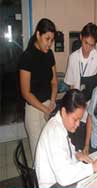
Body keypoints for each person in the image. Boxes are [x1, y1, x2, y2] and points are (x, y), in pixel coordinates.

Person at [35, 89, 97, 188]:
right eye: (75, 119)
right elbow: (64, 177)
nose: (78, 124)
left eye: (80, 119)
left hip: (57, 178)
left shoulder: (58, 123)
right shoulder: (55, 132)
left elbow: (65, 148)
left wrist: (76, 154)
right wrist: (92, 167)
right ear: (63, 112)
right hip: (53, 185)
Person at [18, 18, 58, 159]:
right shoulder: (26, 57)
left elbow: (54, 82)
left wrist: (52, 102)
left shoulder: (49, 55)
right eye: (47, 39)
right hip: (34, 110)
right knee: (39, 155)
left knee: (51, 149)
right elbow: (26, 93)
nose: (49, 44)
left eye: (52, 40)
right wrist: (45, 109)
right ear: (38, 34)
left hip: (49, 106)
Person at [64, 22, 97, 150]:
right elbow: (71, 85)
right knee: (76, 145)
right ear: (81, 37)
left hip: (91, 110)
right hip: (76, 108)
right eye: (86, 43)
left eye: (92, 45)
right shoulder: (73, 58)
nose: (88, 48)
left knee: (89, 146)